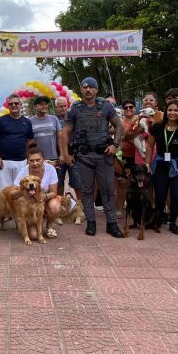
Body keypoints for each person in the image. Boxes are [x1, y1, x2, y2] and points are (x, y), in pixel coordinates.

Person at [61, 77, 125, 238]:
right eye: (84, 87)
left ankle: (112, 224)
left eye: (91, 87)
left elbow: (119, 126)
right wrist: (65, 154)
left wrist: (114, 145)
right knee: (87, 191)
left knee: (108, 190)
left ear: (96, 90)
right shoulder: (75, 108)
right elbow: (65, 132)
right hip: (84, 156)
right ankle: (91, 222)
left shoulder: (105, 105)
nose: (88, 90)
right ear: (81, 90)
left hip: (103, 155)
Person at [144, 101, 178, 234]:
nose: (172, 113)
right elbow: (150, 146)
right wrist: (147, 163)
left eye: (176, 110)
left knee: (176, 194)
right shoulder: (157, 127)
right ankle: (158, 218)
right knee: (160, 194)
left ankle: (173, 221)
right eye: (170, 110)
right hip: (161, 164)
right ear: (165, 111)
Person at [5, 144, 62, 233]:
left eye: (38, 160)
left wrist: (44, 196)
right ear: (27, 161)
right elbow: (12, 195)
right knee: (33, 236)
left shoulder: (50, 169)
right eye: (31, 161)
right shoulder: (24, 171)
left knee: (55, 206)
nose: (35, 163)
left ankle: (49, 225)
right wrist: (22, 191)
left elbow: (54, 192)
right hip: (29, 203)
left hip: (45, 199)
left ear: (43, 159)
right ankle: (33, 225)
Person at [0, 94, 33, 189]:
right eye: (11, 104)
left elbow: (30, 141)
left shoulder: (27, 122)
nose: (14, 105)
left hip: (21, 161)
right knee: (4, 190)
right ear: (8, 106)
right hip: (4, 161)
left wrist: (28, 157)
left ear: (20, 105)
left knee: (20, 189)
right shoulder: (1, 121)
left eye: (16, 103)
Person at [54, 95, 80, 195]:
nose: (64, 108)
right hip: (59, 154)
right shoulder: (53, 120)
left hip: (73, 153)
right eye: (61, 106)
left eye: (65, 105)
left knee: (77, 182)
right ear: (56, 107)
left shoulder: (74, 118)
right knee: (59, 182)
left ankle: (80, 206)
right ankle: (60, 206)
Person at [29, 95, 62, 164]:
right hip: (37, 158)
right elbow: (28, 141)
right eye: (41, 104)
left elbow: (60, 138)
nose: (44, 106)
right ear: (35, 107)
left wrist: (62, 154)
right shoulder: (29, 121)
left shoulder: (54, 119)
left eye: (46, 104)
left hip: (53, 158)